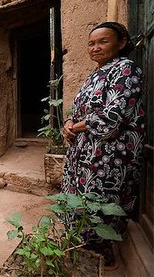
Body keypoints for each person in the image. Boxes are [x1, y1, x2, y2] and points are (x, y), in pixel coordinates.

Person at [61, 22, 145, 268]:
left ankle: (103, 259)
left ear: (121, 43)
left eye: (103, 41)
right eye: (91, 43)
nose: (95, 48)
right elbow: (79, 110)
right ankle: (83, 249)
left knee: (100, 202)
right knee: (81, 200)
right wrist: (68, 121)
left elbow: (113, 116)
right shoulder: (96, 74)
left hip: (109, 154)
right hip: (86, 151)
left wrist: (75, 127)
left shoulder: (126, 70)